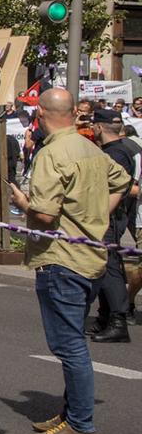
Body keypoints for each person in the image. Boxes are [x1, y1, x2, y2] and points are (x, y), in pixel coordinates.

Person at [11, 87, 133, 434]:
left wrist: (23, 202)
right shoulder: (88, 147)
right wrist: (95, 217)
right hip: (89, 257)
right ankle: (71, 413)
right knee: (73, 340)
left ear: (42, 115)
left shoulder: (52, 154)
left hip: (61, 258)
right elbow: (123, 182)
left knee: (69, 345)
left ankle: (80, 424)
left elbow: (46, 215)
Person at [90, 109, 139, 343]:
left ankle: (118, 320)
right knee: (105, 266)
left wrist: (101, 215)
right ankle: (106, 316)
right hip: (111, 216)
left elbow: (119, 188)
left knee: (109, 267)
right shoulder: (122, 148)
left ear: (99, 128)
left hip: (109, 216)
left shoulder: (116, 153)